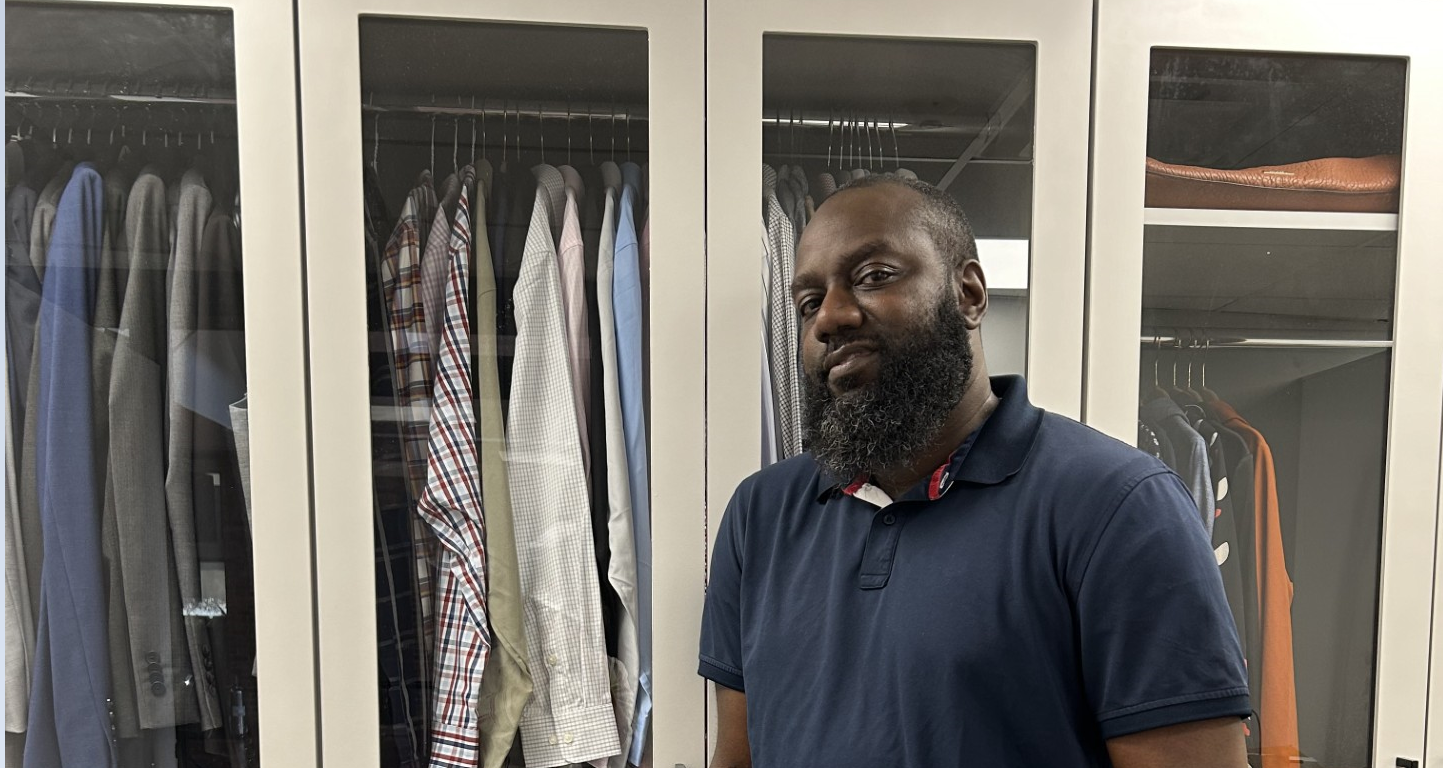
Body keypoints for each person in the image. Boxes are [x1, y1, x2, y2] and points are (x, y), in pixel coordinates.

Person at [699, 175, 1250, 768]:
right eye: (809, 304)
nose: (830, 316)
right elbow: (738, 757)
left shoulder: (1120, 509)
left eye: (874, 276)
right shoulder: (760, 515)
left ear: (969, 293)